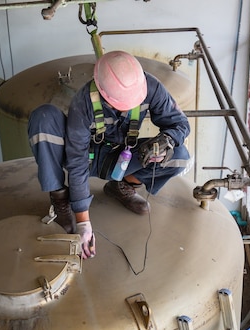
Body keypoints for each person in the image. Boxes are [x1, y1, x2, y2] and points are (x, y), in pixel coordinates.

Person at [28, 50, 191, 259]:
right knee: (44, 117)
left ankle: (122, 186)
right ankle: (60, 199)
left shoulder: (151, 87)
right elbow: (76, 162)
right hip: (84, 157)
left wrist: (167, 139)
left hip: (121, 156)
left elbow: (180, 123)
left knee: (179, 155)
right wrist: (83, 222)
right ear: (103, 92)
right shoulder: (84, 102)